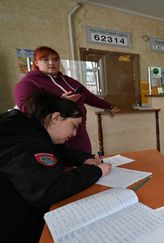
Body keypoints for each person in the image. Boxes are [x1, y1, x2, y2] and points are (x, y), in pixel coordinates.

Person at [0, 91, 112, 242]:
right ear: (56, 118)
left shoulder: (27, 127)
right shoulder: (24, 141)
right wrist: (95, 171)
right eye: (73, 126)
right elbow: (48, 189)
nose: (73, 134)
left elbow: (55, 152)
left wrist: (84, 159)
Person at [14, 46, 120, 154]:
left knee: (86, 162)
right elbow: (26, 108)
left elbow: (89, 97)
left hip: (79, 134)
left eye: (55, 60)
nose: (51, 63)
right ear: (36, 62)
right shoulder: (28, 82)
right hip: (53, 139)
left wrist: (109, 106)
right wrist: (60, 100)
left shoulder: (69, 81)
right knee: (62, 168)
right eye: (45, 59)